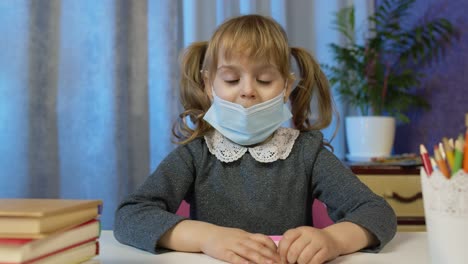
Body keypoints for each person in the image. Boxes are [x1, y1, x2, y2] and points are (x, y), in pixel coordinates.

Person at [114, 14, 397, 264]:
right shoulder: (196, 154)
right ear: (208, 85)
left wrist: (334, 241)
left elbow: (377, 213)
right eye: (231, 80)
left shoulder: (305, 152)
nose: (248, 91)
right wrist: (207, 237)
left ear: (286, 87)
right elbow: (131, 215)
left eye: (264, 80)